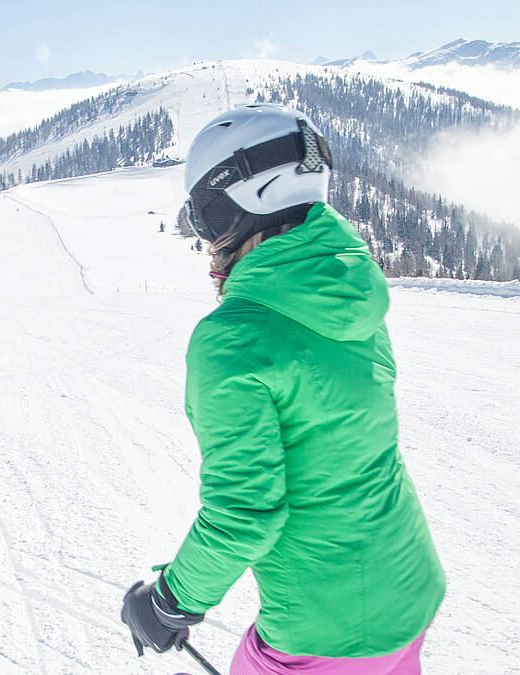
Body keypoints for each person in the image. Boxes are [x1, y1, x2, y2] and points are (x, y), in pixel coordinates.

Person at [120, 105, 444, 674]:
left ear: (232, 207)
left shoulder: (234, 338)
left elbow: (246, 513)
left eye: (205, 218)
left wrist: (171, 603)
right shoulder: (349, 294)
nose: (207, 241)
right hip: (408, 584)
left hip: (327, 629)